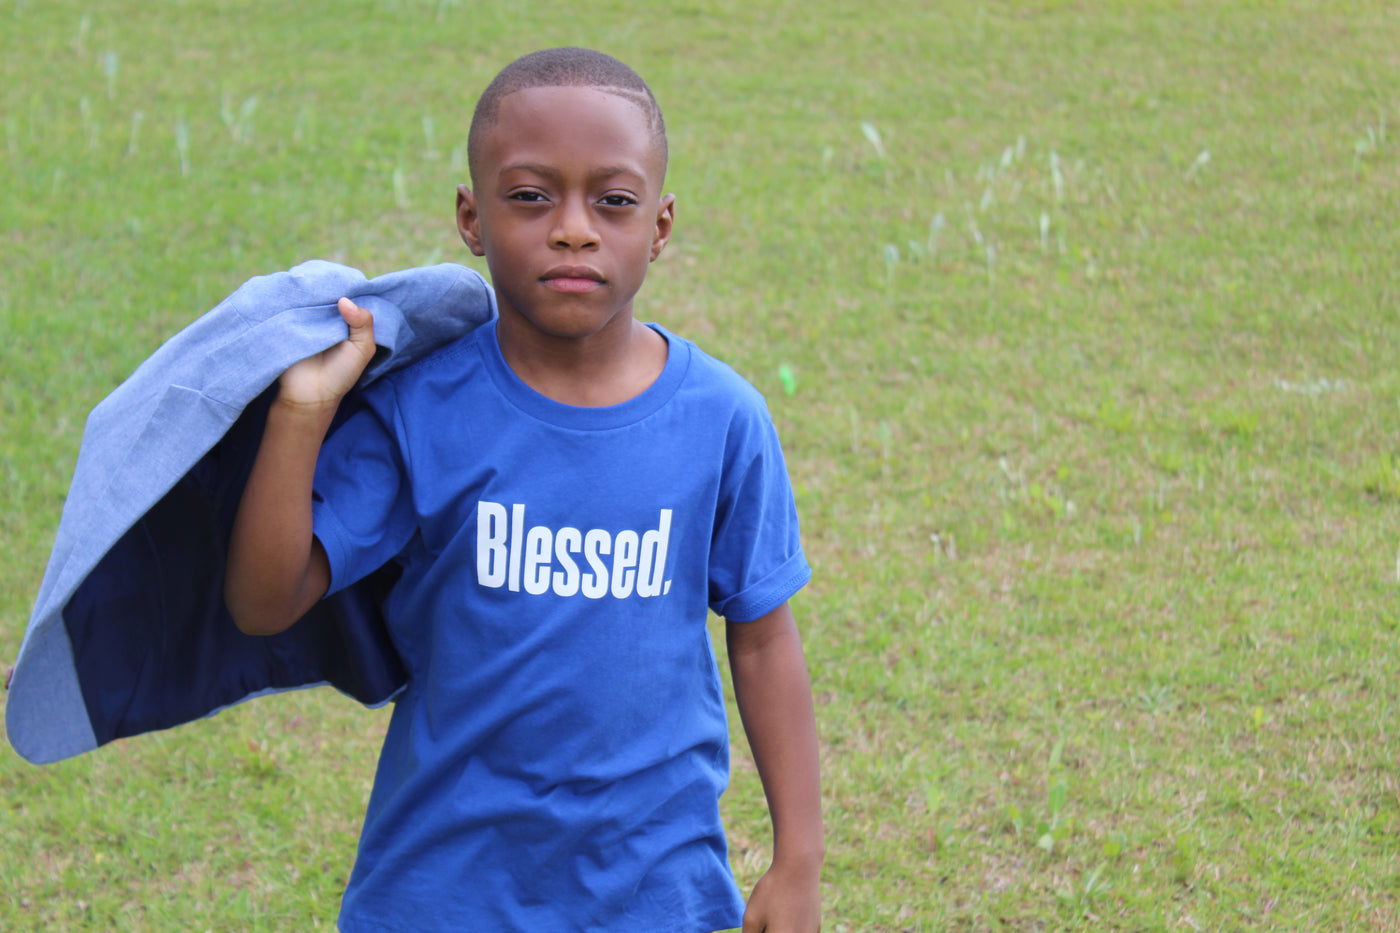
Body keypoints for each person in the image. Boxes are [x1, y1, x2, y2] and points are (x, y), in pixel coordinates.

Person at [225, 47, 823, 933]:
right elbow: (264, 601)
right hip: (440, 892)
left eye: (613, 201)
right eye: (531, 196)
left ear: (660, 226)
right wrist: (302, 414)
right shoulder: (420, 409)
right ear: (472, 218)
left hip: (654, 892)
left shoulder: (722, 418)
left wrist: (799, 857)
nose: (573, 229)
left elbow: (764, 640)